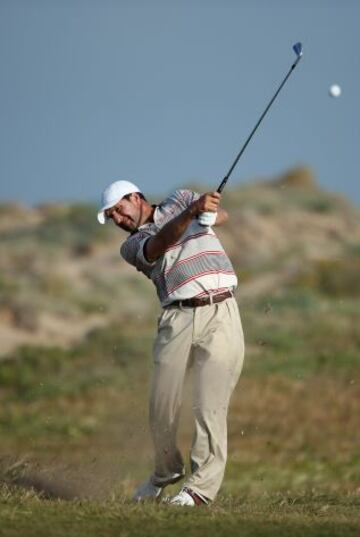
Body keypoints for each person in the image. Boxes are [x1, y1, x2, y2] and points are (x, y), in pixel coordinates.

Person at [97, 179, 245, 506]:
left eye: (119, 211)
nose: (118, 220)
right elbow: (161, 243)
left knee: (210, 405)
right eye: (112, 218)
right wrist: (193, 212)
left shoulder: (180, 198)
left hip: (220, 311)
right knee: (161, 406)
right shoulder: (133, 244)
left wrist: (208, 217)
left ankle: (199, 491)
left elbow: (222, 216)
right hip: (175, 320)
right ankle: (165, 472)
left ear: (136, 197)